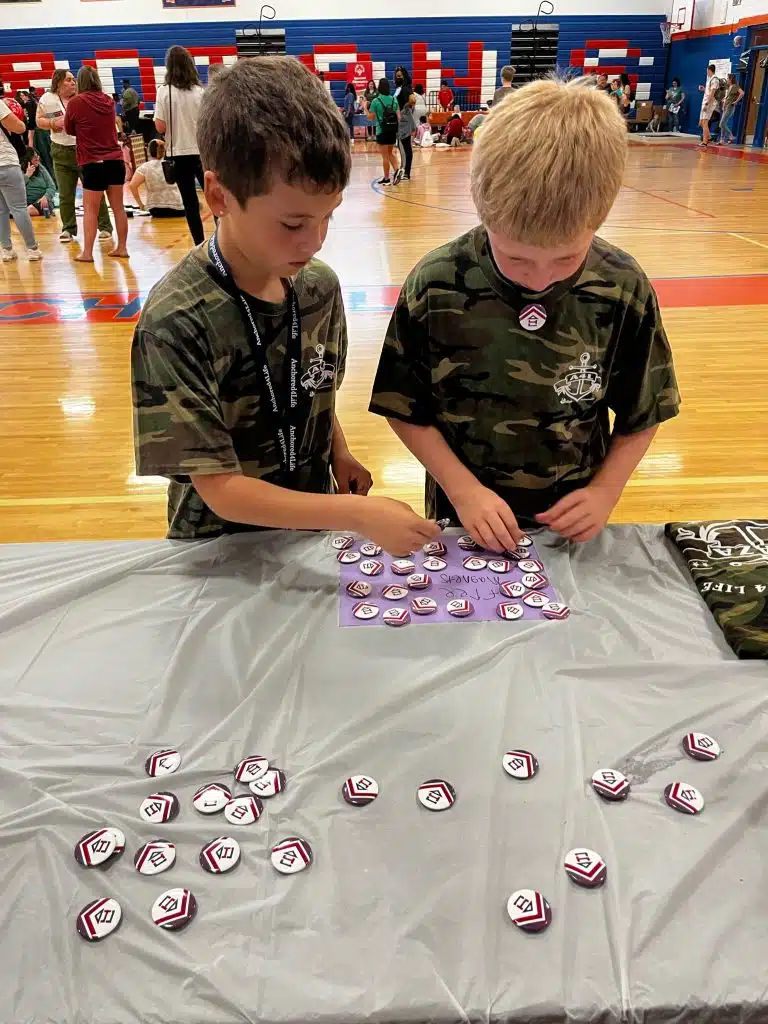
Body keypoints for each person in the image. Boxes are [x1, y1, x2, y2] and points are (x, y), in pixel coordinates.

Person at [131, 55, 438, 555]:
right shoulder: (177, 320)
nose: (314, 242)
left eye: (328, 217)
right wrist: (356, 515)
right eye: (293, 224)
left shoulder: (319, 289)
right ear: (219, 196)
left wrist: (339, 453)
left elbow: (312, 389)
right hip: (218, 551)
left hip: (311, 535)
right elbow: (220, 490)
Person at [368, 78, 680, 551]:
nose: (538, 279)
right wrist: (462, 489)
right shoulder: (435, 282)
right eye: (516, 258)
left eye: (566, 258)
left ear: (599, 218)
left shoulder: (623, 286)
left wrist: (605, 490)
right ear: (483, 211)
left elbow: (646, 409)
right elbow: (403, 406)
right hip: (462, 517)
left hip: (571, 523)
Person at [37, 69, 113, 244]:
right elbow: (38, 120)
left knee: (94, 190)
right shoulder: (46, 99)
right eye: (69, 80)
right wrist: (51, 123)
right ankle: (68, 229)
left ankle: (105, 227)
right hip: (60, 150)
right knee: (65, 194)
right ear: (58, 83)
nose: (73, 82)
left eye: (74, 79)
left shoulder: (83, 97)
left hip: (84, 149)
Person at [64, 65, 129, 262]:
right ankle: (122, 248)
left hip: (93, 162)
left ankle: (87, 253)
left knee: (90, 209)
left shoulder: (76, 102)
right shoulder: (108, 100)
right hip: (115, 160)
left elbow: (69, 129)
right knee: (118, 207)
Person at [154, 45, 205, 245]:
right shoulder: (200, 91)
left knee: (190, 202)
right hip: (201, 152)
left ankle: (199, 243)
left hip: (178, 154)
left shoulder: (164, 91)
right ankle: (221, 241)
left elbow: (160, 126)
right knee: (214, 197)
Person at [0, 96, 42, 261]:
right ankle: (32, 249)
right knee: (18, 208)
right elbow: (19, 128)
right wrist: (17, 117)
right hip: (6, 162)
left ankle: (7, 250)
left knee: (1, 211)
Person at [129, 138, 185, 217]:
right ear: (164, 150)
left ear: (149, 152)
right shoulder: (172, 164)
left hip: (155, 210)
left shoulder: (144, 167)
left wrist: (141, 205)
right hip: (177, 209)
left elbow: (132, 185)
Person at [368, 78, 401, 186]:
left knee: (385, 156)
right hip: (392, 130)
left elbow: (371, 117)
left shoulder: (376, 101)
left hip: (381, 130)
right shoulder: (394, 100)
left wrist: (364, 107)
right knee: (390, 153)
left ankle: (387, 178)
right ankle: (397, 170)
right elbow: (399, 117)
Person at [394, 66, 416, 181]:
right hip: (400, 121)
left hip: (404, 121)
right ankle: (404, 171)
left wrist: (406, 107)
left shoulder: (406, 88)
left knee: (405, 147)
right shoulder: (398, 88)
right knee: (402, 146)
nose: (398, 77)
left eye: (400, 76)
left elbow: (413, 99)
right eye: (397, 76)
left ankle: (406, 172)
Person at [22, 147, 56, 217]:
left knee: (31, 209)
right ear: (28, 158)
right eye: (35, 157)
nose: (37, 159)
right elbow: (16, 188)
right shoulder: (19, 170)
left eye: (38, 156)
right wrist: (27, 176)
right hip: (25, 202)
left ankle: (17, 214)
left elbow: (52, 186)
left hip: (42, 201)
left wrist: (46, 197)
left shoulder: (41, 169)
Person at [719, 73, 744, 144]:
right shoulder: (728, 87)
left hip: (730, 107)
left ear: (731, 79)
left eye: (727, 78)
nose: (727, 79)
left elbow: (742, 93)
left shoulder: (735, 86)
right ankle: (722, 140)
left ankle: (730, 135)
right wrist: (723, 105)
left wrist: (736, 101)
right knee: (723, 123)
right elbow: (727, 97)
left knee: (721, 124)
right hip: (725, 107)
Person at [698, 64, 719, 147]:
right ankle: (709, 137)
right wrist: (704, 89)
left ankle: (705, 142)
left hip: (709, 103)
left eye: (707, 71)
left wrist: (707, 103)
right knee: (701, 122)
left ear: (709, 70)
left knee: (705, 122)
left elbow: (712, 93)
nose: (707, 72)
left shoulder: (715, 80)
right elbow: (709, 92)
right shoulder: (710, 80)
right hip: (706, 102)